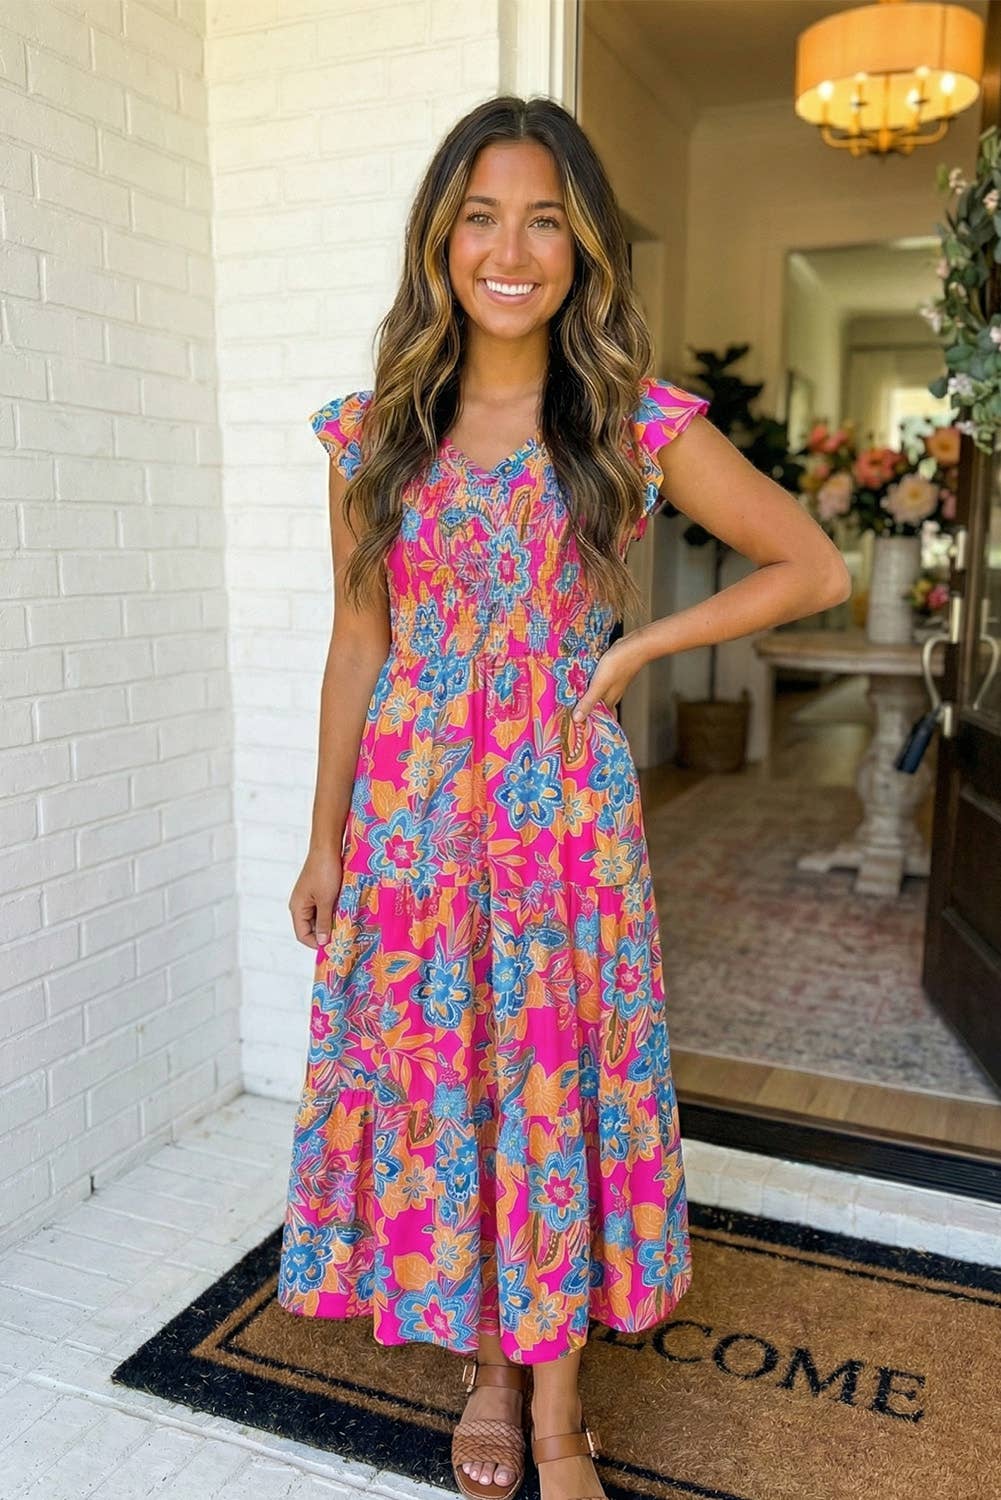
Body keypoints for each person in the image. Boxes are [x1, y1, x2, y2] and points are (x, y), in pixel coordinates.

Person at [278, 94, 850, 1500]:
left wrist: (638, 648)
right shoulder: (373, 434)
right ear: (441, 238)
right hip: (414, 818)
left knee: (550, 1081)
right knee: (453, 1078)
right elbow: (358, 638)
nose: (511, 250)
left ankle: (556, 1408)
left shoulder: (629, 421)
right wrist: (325, 837)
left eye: (545, 220)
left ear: (582, 246)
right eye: (481, 217)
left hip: (559, 819)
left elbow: (811, 565)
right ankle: (486, 1370)